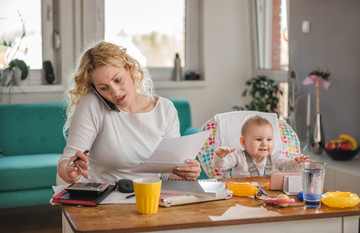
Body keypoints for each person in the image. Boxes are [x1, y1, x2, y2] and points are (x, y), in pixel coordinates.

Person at [57, 41, 201, 184]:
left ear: (129, 69)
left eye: (118, 80)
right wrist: (70, 171)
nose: (115, 92)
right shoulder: (92, 104)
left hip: (148, 198)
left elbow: (169, 174)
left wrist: (186, 173)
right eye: (103, 88)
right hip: (102, 200)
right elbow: (66, 162)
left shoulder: (165, 109)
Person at [214, 115, 313, 177]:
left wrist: (298, 164)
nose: (265, 143)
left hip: (268, 198)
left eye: (269, 139)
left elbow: (287, 167)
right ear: (244, 142)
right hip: (241, 198)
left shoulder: (274, 156)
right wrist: (221, 156)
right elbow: (221, 165)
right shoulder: (238, 156)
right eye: (258, 139)